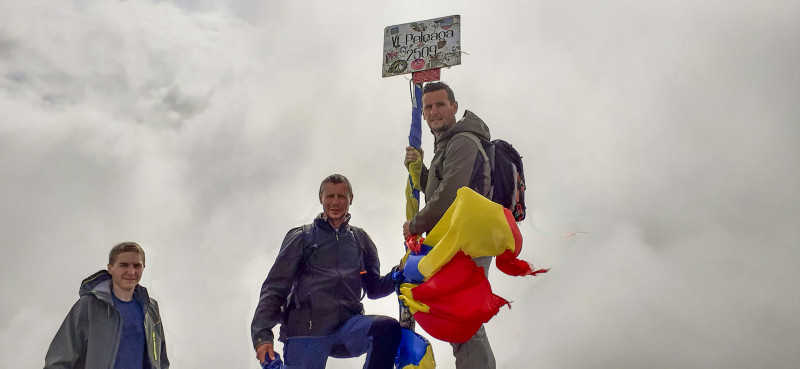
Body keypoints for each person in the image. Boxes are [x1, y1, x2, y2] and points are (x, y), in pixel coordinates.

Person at [251, 174, 401, 369]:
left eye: (342, 196)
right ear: (321, 198)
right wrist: (262, 335)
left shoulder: (360, 240)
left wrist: (397, 275)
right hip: (306, 332)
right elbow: (275, 287)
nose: (336, 202)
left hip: (348, 327)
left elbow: (373, 288)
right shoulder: (302, 237)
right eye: (330, 196)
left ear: (351, 199)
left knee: (386, 329)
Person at [403, 81, 496, 369]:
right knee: (459, 316)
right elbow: (438, 190)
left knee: (463, 317)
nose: (433, 111)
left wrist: (416, 224)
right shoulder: (447, 145)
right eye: (428, 106)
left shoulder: (463, 141)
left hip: (469, 242)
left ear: (454, 107)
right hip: (458, 240)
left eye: (440, 104)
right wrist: (419, 170)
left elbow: (451, 194)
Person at [44, 242, 169, 369]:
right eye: (123, 265)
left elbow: (161, 360)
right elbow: (59, 358)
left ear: (144, 268)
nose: (131, 272)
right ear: (110, 268)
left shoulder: (150, 308)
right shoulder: (89, 305)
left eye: (137, 266)